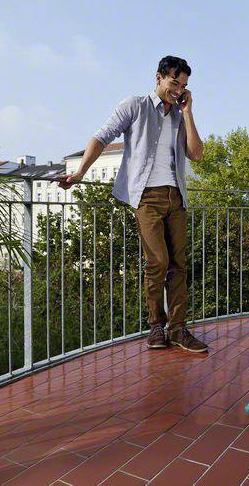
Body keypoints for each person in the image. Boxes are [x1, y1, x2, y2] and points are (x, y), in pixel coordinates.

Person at [58, 56, 207, 352]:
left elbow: (197, 154)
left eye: (184, 86)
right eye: (174, 83)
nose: (178, 90)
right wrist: (80, 172)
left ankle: (177, 329)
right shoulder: (135, 106)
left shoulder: (179, 114)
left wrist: (189, 113)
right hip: (147, 197)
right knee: (158, 262)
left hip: (176, 196)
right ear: (159, 78)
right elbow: (102, 136)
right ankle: (156, 326)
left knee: (179, 266)